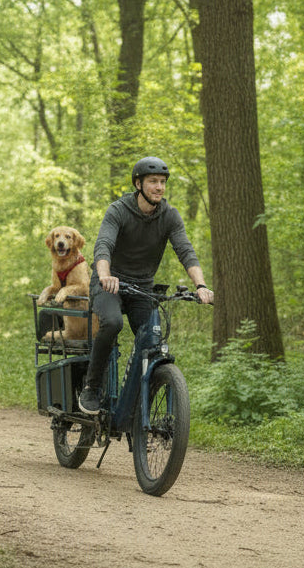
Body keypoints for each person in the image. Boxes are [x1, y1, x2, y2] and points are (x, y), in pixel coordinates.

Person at [78, 156, 214, 415]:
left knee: (152, 339)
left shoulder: (170, 216)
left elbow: (185, 250)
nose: (159, 187)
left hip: (141, 287)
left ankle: (139, 404)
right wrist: (105, 275)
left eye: (162, 182)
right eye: (153, 182)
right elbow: (103, 245)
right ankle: (92, 387)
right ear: (138, 184)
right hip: (110, 284)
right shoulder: (118, 210)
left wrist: (201, 286)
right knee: (113, 323)